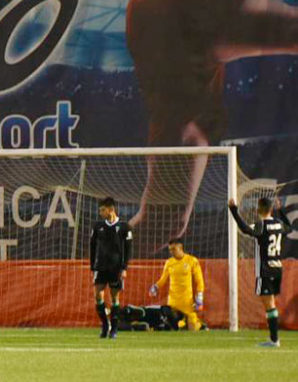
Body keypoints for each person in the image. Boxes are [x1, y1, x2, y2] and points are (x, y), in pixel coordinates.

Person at [127, 0, 298, 243]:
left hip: (171, 24)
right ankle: (106, 262)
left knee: (165, 220)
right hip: (176, 24)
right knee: (165, 221)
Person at [228, 197, 292, 347]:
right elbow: (289, 228)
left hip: (265, 269)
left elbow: (245, 229)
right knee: (270, 303)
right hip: (277, 268)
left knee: (269, 304)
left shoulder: (261, 225)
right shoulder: (277, 224)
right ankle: (273, 339)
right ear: (271, 209)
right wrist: (281, 211)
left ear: (258, 210)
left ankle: (274, 340)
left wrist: (234, 211)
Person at [90, 197, 133, 339]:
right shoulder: (97, 226)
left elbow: (128, 250)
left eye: (102, 210)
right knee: (98, 295)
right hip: (100, 267)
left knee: (115, 298)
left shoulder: (124, 227)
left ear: (111, 209)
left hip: (115, 268)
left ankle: (114, 329)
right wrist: (92, 266)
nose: (100, 213)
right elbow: (92, 246)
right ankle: (104, 325)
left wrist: (124, 268)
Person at [148, 238, 205, 331]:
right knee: (173, 327)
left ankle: (198, 324)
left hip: (187, 302)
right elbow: (163, 279)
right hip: (173, 303)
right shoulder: (169, 263)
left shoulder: (192, 260)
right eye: (170, 250)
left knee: (193, 328)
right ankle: (181, 323)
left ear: (180, 248)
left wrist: (200, 296)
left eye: (173, 249)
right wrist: (155, 287)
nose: (171, 252)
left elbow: (199, 280)